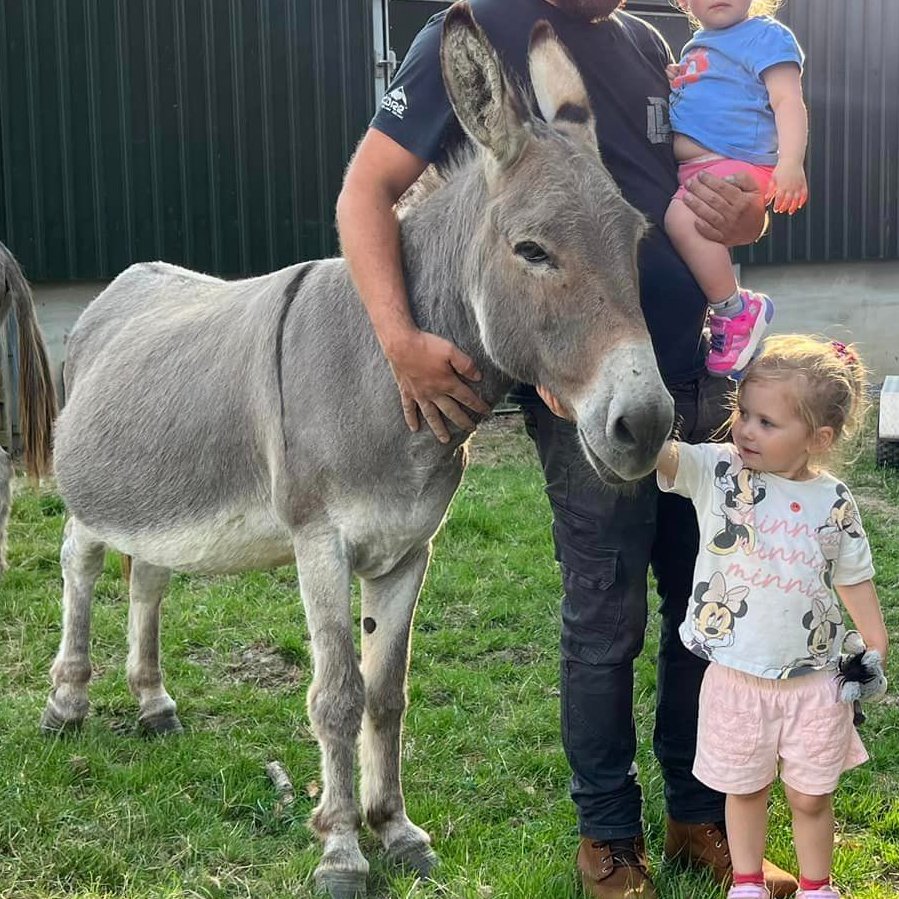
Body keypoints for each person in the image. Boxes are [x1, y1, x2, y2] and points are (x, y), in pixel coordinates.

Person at [337, 2, 796, 897]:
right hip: (585, 392)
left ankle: (697, 814)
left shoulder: (644, 47)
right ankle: (608, 836)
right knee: (604, 616)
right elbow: (365, 190)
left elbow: (700, 198)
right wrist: (396, 336)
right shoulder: (470, 35)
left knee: (705, 608)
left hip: (698, 371)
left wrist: (744, 217)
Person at [654, 335, 889, 899]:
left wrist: (876, 640)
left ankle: (816, 886)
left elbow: (852, 574)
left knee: (811, 795)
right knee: (745, 787)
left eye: (767, 422)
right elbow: (663, 457)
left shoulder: (833, 500)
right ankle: (748, 881)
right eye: (744, 413)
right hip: (736, 677)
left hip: (814, 679)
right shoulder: (719, 474)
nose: (746, 429)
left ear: (819, 438)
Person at [665, 0, 807, 378]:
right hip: (700, 167)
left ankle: (735, 311)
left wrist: (790, 162)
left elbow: (787, 100)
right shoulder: (694, 46)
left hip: (740, 164)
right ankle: (735, 323)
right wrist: (678, 82)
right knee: (695, 231)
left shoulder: (766, 35)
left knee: (681, 220)